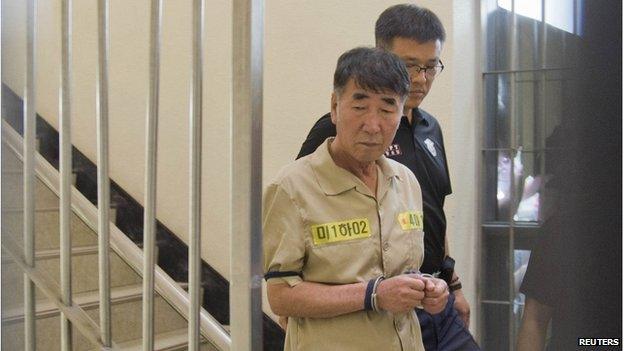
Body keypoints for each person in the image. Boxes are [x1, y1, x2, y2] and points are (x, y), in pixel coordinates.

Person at [296, 4, 479, 350]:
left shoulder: (430, 128)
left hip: (434, 297)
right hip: (378, 305)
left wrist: (454, 286)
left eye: (430, 66)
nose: (421, 78)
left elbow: (432, 213)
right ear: (382, 56)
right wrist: (297, 305)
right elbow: (302, 211)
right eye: (410, 65)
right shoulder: (342, 128)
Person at [263, 47, 449, 351]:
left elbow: (401, 271)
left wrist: (431, 287)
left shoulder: (405, 182)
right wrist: (373, 295)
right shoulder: (291, 187)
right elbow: (281, 295)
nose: (373, 125)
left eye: (387, 109)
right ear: (335, 107)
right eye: (360, 106)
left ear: (401, 114)